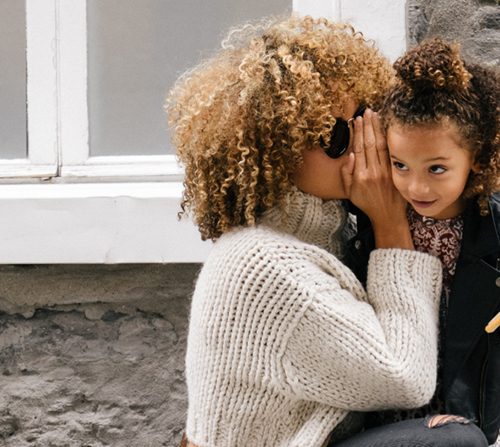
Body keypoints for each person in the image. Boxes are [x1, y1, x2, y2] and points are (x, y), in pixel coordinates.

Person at [166, 16, 481, 447]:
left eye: (364, 120)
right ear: (278, 149)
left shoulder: (328, 236)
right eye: (335, 135)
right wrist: (391, 223)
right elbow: (406, 377)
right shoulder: (262, 263)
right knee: (454, 442)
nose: (364, 145)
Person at [346, 38, 499, 446]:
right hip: (384, 421)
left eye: (436, 169)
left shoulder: (494, 231)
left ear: (477, 157)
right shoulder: (365, 222)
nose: (416, 187)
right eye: (400, 165)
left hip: (465, 425)